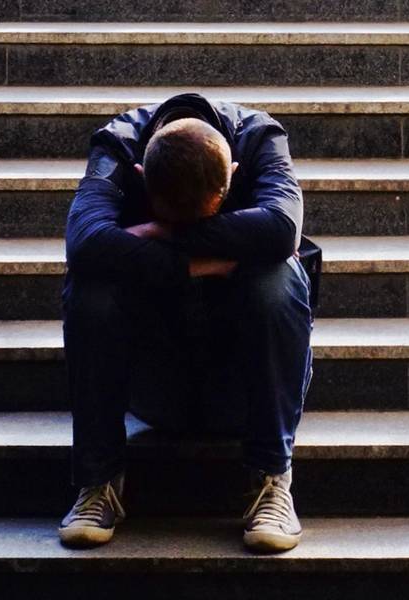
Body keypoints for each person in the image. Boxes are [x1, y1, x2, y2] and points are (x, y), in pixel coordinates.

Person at [57, 93, 317, 554]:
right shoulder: (118, 146)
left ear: (233, 175)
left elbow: (281, 229)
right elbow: (84, 243)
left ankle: (271, 479)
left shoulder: (260, 139)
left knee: (279, 276)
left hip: (239, 390)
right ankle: (98, 482)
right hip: (152, 386)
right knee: (91, 283)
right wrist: (200, 262)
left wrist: (158, 235)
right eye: (167, 219)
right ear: (141, 177)